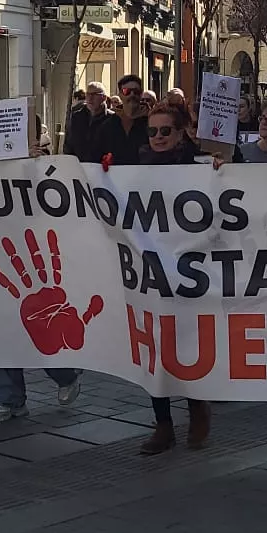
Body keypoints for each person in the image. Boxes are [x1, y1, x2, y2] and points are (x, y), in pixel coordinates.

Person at [133, 100, 209, 454]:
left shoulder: (199, 164)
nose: (158, 137)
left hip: (191, 270)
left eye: (165, 131)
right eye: (153, 131)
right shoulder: (135, 165)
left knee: (190, 345)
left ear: (180, 134)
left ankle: (197, 409)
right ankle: (163, 425)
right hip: (151, 270)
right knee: (154, 347)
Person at [90, 74, 150, 164]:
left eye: (136, 91)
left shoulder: (152, 123)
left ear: (141, 94)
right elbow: (95, 156)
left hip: (147, 175)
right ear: (120, 95)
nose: (132, 95)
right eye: (127, 91)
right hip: (114, 177)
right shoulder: (107, 125)